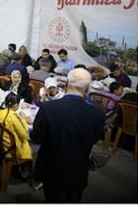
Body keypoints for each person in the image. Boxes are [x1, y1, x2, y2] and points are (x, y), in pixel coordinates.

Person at [31, 68, 104, 202]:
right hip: (78, 171)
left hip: (51, 170)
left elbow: (36, 138)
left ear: (66, 84)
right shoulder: (98, 115)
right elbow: (93, 140)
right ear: (87, 88)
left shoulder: (48, 108)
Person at [0, 92, 32, 177]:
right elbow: (24, 135)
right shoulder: (13, 116)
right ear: (15, 105)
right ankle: (27, 173)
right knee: (35, 145)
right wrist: (23, 119)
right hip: (10, 149)